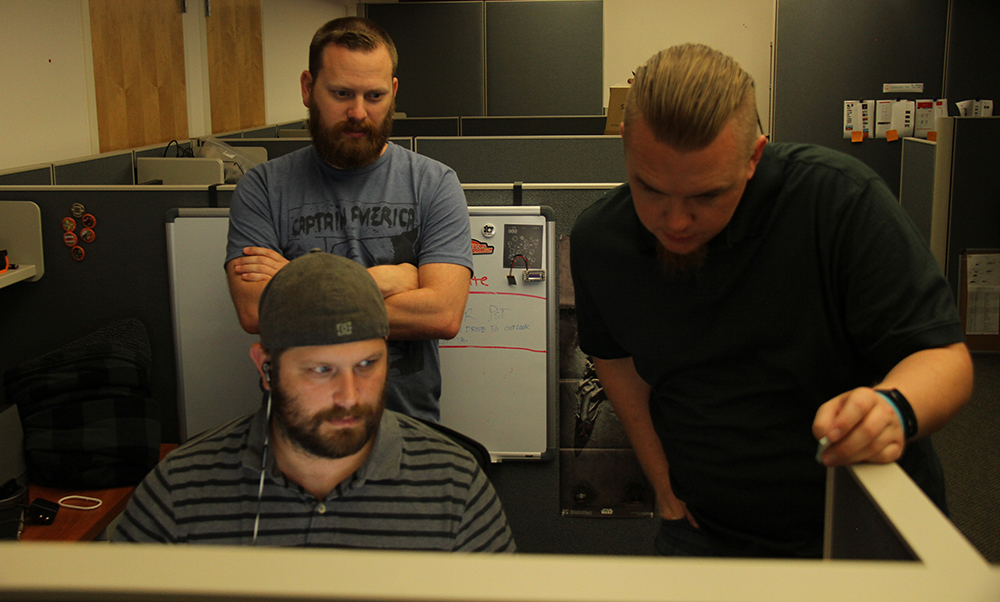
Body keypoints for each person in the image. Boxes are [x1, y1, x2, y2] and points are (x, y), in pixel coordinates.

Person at [569, 43, 973, 558]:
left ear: (755, 156)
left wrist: (894, 408)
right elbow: (615, 361)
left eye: (706, 196)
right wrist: (663, 485)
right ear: (625, 144)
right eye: (650, 189)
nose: (674, 221)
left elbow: (945, 357)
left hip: (862, 518)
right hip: (703, 530)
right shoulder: (600, 242)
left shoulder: (835, 201)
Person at [114, 252, 514, 551]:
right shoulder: (179, 490)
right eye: (321, 370)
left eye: (366, 364)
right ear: (265, 368)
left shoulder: (454, 486)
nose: (350, 396)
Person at [225, 17, 472, 423]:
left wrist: (296, 278)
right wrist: (394, 280)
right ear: (308, 88)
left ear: (392, 92)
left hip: (408, 427)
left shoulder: (434, 183)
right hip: (297, 430)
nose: (359, 112)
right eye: (341, 93)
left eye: (374, 96)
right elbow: (256, 312)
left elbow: (442, 314)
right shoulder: (263, 187)